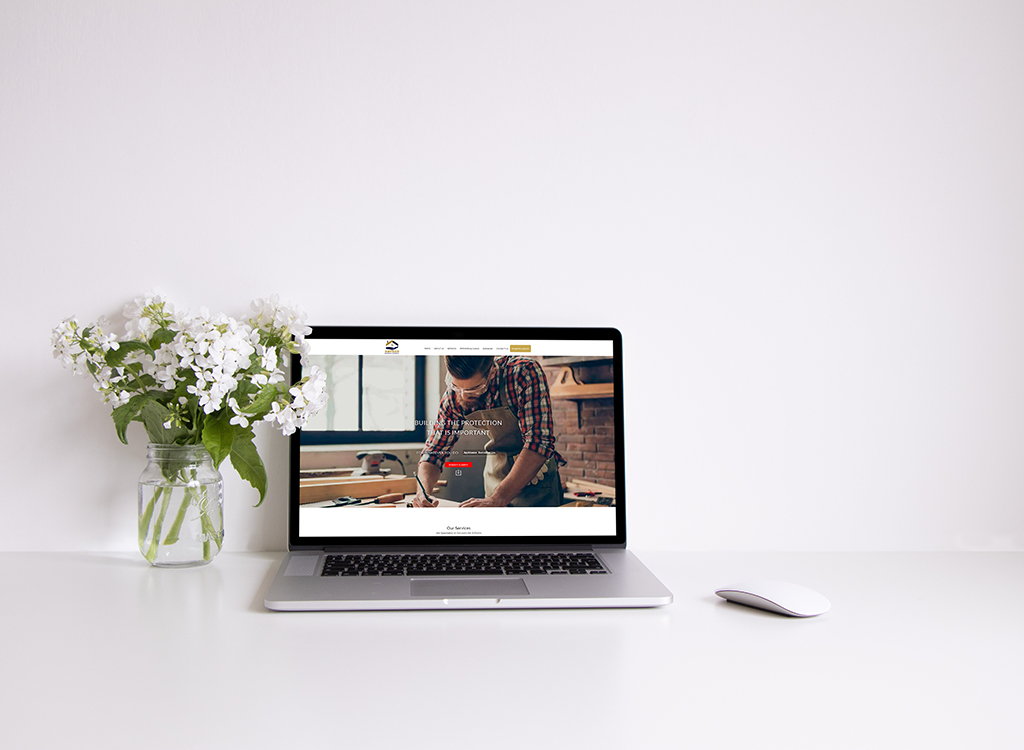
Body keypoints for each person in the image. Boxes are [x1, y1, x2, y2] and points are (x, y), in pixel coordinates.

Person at [414, 355, 565, 507]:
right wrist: (423, 492)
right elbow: (434, 450)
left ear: (492, 372)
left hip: (536, 481)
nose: (463, 395)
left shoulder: (523, 373)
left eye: (474, 389)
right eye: (456, 386)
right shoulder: (455, 396)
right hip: (496, 481)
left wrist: (498, 498)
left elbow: (538, 442)